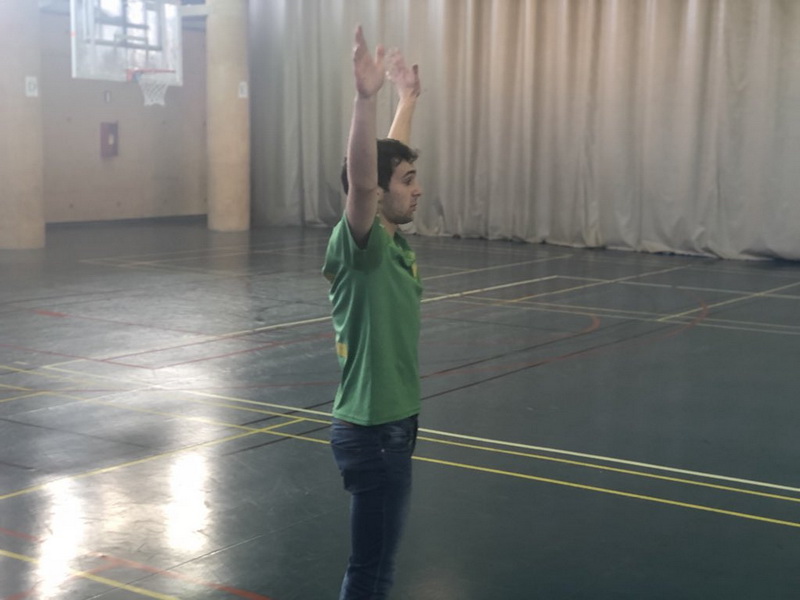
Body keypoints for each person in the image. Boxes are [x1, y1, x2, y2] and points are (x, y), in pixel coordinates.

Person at [321, 25, 423, 600]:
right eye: (408, 182)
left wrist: (407, 100)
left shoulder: (392, 243)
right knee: (372, 571)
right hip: (374, 431)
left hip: (392, 427)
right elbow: (365, 182)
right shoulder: (364, 248)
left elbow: (383, 168)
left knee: (378, 564)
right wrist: (366, 99)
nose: (417, 190)